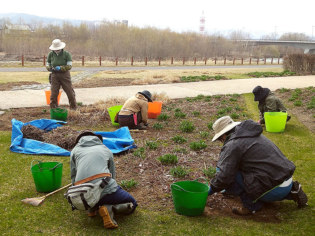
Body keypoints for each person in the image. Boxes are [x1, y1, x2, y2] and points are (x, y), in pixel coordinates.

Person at [208, 116, 308, 215]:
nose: (221, 141)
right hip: (286, 181)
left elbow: (224, 177)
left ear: (224, 134)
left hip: (273, 190)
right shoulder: (250, 134)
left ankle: (251, 206)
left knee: (227, 173)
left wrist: (208, 191)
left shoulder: (233, 144)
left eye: (220, 138)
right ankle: (293, 191)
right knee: (235, 168)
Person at [70, 131, 138, 228]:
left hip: (83, 195)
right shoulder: (105, 149)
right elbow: (112, 176)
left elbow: (73, 175)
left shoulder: (75, 150)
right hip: (104, 190)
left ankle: (91, 209)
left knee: (92, 188)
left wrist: (77, 192)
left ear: (79, 140)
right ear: (97, 139)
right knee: (133, 203)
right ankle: (110, 208)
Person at [46, 39, 77, 110]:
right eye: (55, 49)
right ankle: (54, 109)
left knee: (70, 92)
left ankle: (73, 108)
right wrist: (49, 68)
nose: (56, 50)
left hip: (65, 75)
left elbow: (69, 66)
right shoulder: (50, 54)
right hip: (54, 75)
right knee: (53, 93)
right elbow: (48, 64)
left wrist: (61, 68)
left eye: (58, 49)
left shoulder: (67, 54)